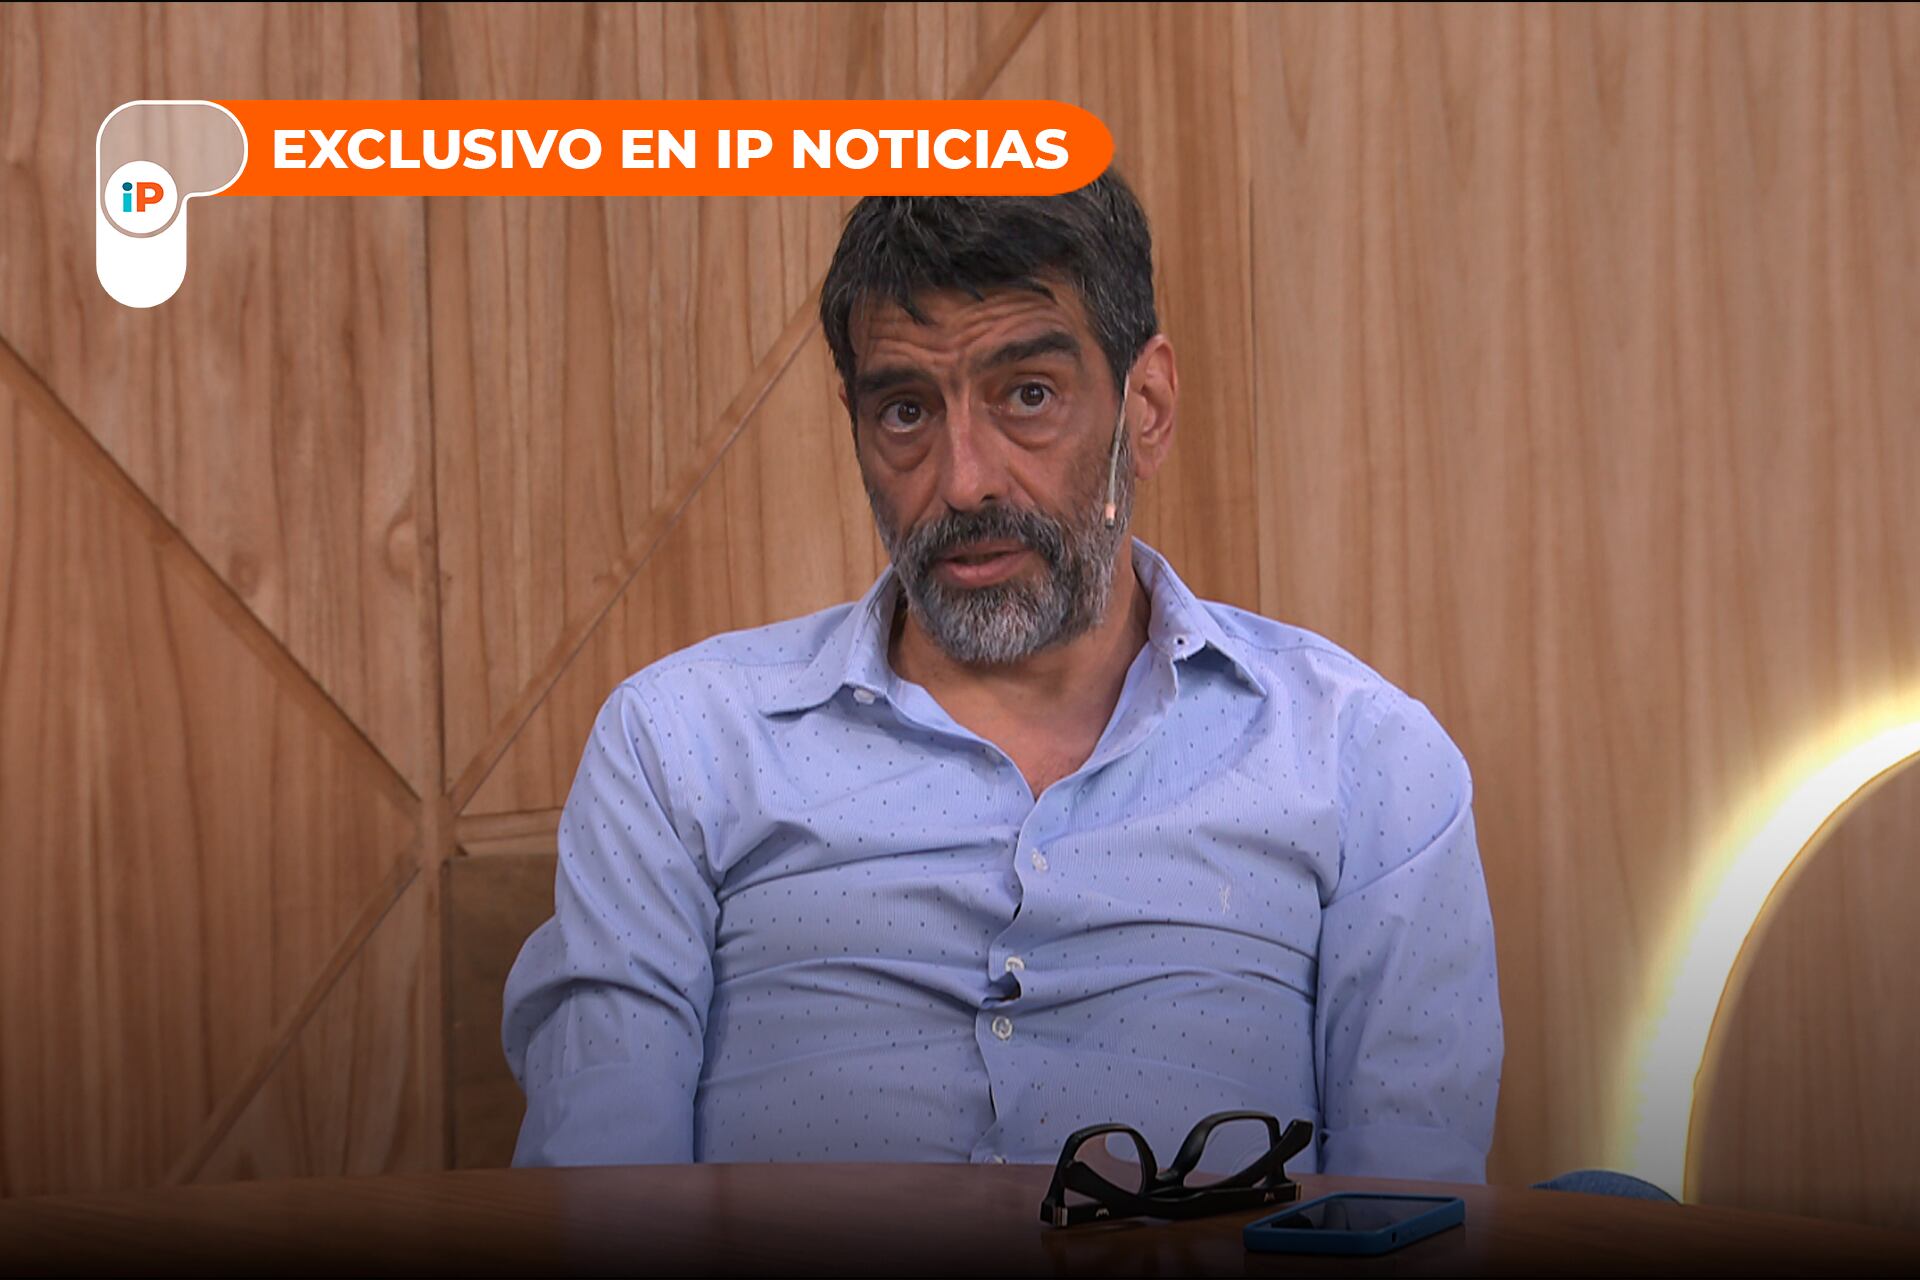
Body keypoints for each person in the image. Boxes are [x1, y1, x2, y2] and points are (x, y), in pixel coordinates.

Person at [502, 168, 1503, 1181]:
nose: (965, 480)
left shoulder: (1363, 757)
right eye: (905, 412)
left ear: (1147, 408)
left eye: (1029, 395)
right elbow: (598, 1189)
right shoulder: (679, 742)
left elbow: (1403, 1209)